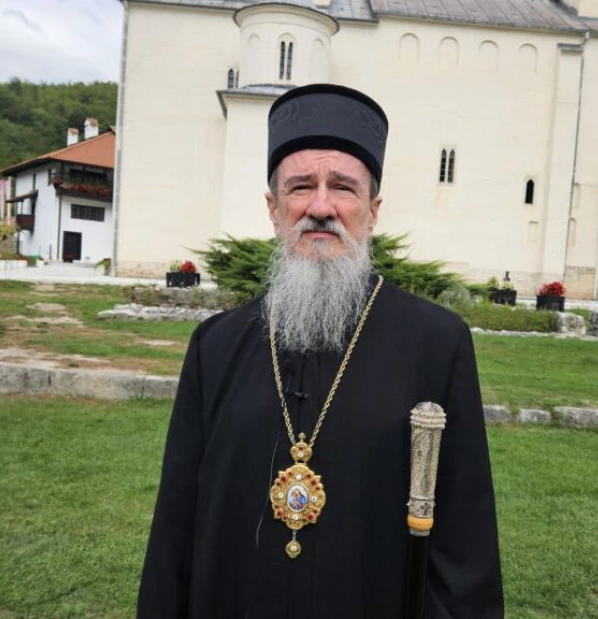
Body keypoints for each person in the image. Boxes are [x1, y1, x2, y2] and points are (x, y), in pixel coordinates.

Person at [137, 83, 503, 618]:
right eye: (301, 186)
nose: (321, 207)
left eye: (344, 188)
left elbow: (465, 548)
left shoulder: (437, 343)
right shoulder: (214, 347)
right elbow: (176, 528)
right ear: (273, 207)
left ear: (373, 210)